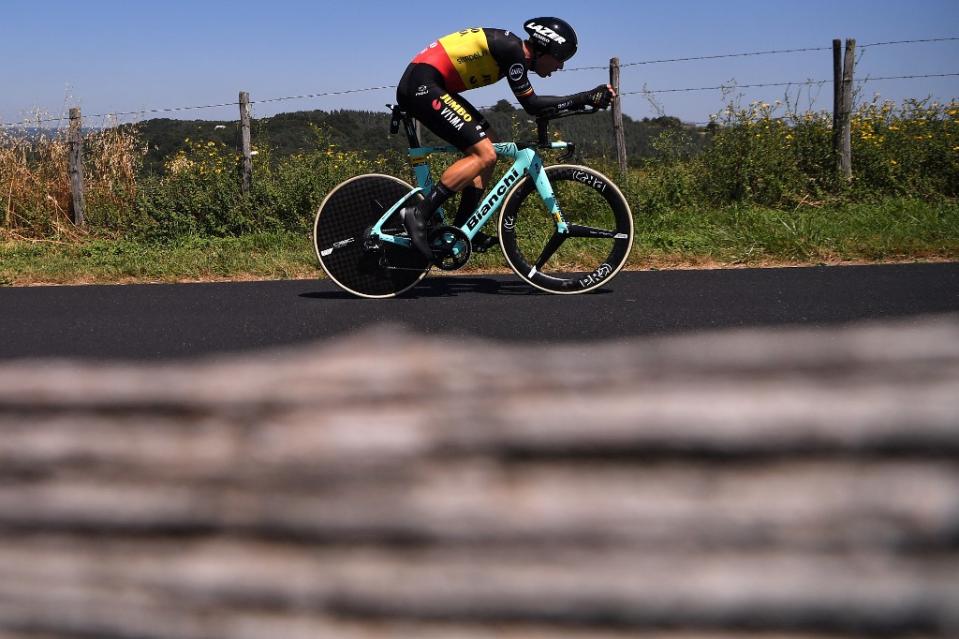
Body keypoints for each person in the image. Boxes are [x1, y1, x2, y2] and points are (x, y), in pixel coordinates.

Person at [395, 17, 615, 261]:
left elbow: (538, 108)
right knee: (484, 153)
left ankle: (462, 228)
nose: (560, 66)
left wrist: (584, 101)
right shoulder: (512, 51)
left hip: (431, 84)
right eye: (560, 58)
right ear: (545, 49)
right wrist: (583, 96)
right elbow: (532, 105)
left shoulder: (512, 52)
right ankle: (418, 214)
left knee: (491, 143)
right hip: (422, 85)